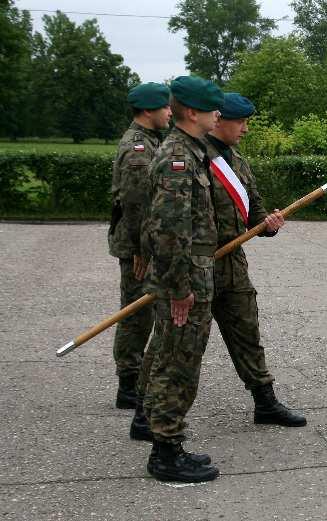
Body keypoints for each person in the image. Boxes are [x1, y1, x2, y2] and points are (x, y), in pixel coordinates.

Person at [139, 75, 225, 482]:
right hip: (184, 282)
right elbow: (169, 230)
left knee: (174, 361)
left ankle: (168, 443)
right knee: (177, 365)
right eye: (212, 108)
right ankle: (166, 454)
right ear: (193, 112)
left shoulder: (190, 151)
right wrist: (179, 290)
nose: (218, 115)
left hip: (190, 277)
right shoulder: (178, 157)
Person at [202, 93, 306, 427]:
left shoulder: (238, 162)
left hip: (232, 265)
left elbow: (255, 213)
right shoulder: (194, 157)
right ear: (219, 120)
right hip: (197, 266)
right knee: (180, 346)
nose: (246, 129)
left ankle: (265, 403)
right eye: (241, 122)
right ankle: (148, 414)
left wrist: (269, 224)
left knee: (247, 334)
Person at [107, 83, 172, 409]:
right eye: (165, 107)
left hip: (146, 243)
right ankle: (128, 385)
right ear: (148, 111)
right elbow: (135, 204)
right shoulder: (137, 148)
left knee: (145, 311)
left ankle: (139, 378)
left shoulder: (151, 141)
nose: (170, 112)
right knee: (136, 313)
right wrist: (140, 250)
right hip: (137, 246)